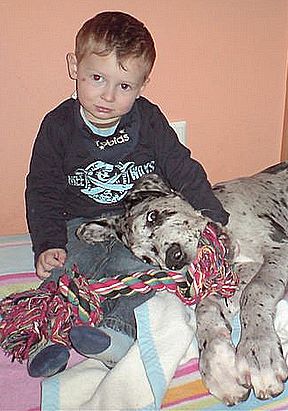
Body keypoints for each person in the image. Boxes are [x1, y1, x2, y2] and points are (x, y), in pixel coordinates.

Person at [25, 11, 229, 378]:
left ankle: (114, 334)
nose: (108, 95)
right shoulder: (58, 127)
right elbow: (43, 189)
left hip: (135, 227)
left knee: (137, 271)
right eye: (97, 78)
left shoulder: (147, 120)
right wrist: (48, 242)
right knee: (68, 270)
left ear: (142, 85)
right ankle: (49, 338)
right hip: (76, 222)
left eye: (124, 86)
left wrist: (212, 216)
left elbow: (180, 167)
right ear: (74, 67)